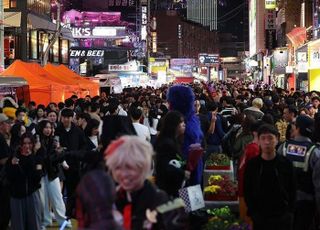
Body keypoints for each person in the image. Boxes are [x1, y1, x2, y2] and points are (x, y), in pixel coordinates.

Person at [105, 135, 188, 230]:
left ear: (143, 167)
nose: (124, 174)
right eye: (118, 167)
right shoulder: (111, 199)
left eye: (130, 167)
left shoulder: (163, 203)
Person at [244, 124, 296, 230]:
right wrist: (253, 212)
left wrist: (289, 212)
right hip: (260, 217)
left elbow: (293, 189)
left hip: (282, 217)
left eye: (270, 138)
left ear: (277, 139)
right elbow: (247, 190)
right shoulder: (252, 165)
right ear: (258, 140)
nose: (267, 142)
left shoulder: (286, 163)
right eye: (263, 138)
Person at [278, 115, 320, 230]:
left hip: (284, 202)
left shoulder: (283, 148)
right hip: (307, 205)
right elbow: (318, 187)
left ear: (297, 129)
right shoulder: (315, 152)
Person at [6, 133, 44, 230]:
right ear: (21, 144)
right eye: (24, 143)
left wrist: (33, 154)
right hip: (16, 196)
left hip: (32, 195)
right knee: (18, 225)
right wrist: (12, 164)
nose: (27, 146)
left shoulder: (37, 157)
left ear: (33, 144)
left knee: (35, 223)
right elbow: (9, 176)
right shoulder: (14, 157)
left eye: (30, 143)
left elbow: (37, 177)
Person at [37, 120, 69, 229]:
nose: (48, 130)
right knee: (43, 199)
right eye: (46, 127)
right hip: (40, 173)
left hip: (52, 172)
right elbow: (38, 158)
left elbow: (58, 157)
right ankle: (46, 221)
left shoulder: (54, 141)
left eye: (50, 128)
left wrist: (58, 151)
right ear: (41, 128)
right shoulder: (36, 141)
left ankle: (62, 220)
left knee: (57, 197)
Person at [154, 111, 190, 197]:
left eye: (184, 122)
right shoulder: (166, 143)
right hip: (169, 190)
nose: (184, 124)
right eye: (181, 122)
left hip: (177, 186)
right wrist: (182, 173)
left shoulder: (175, 141)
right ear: (173, 125)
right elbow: (163, 166)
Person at [0, 113, 12, 229]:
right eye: (7, 123)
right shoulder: (0, 138)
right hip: (2, 178)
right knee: (4, 204)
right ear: (1, 124)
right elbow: (3, 160)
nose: (9, 125)